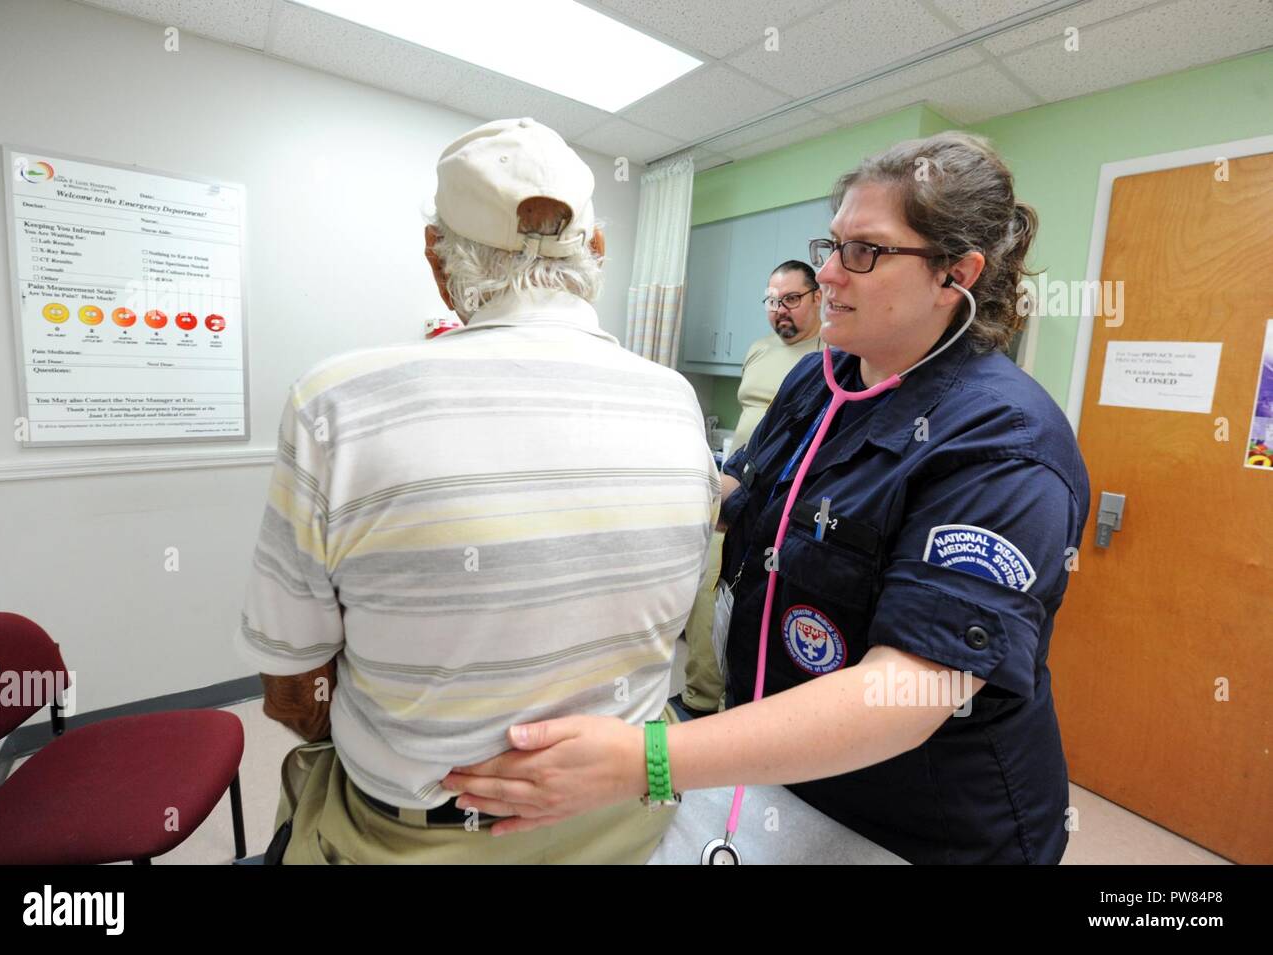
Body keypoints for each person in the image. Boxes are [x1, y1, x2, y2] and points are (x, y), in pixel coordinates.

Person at [442, 131, 1091, 865]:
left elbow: (907, 691)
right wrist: (601, 482)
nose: (827, 275)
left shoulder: (1005, 442)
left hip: (919, 821)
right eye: (831, 244)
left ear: (956, 274)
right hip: (776, 767)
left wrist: (647, 758)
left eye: (865, 251)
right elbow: (740, 495)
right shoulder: (820, 382)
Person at [235, 117, 719, 863]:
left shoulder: (334, 402)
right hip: (630, 822)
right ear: (596, 252)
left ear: (438, 259)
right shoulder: (675, 399)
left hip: (412, 837)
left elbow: (292, 689)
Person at [676, 260, 823, 717]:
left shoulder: (830, 357)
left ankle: (739, 709)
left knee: (746, 606)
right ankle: (698, 699)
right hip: (730, 487)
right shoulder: (760, 350)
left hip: (771, 502)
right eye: (773, 301)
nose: (780, 311)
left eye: (792, 299)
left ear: (818, 297)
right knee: (706, 598)